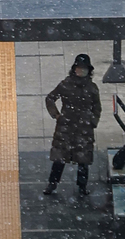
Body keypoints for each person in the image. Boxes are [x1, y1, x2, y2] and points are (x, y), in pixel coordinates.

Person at [43, 54, 102, 201]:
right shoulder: (65, 84)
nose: (81, 71)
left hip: (83, 128)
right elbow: (50, 98)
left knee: (83, 160)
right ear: (74, 69)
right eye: (79, 68)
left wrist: (92, 121)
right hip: (66, 128)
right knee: (60, 158)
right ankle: (52, 184)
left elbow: (97, 107)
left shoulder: (92, 88)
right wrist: (57, 115)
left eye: (84, 69)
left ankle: (82, 186)